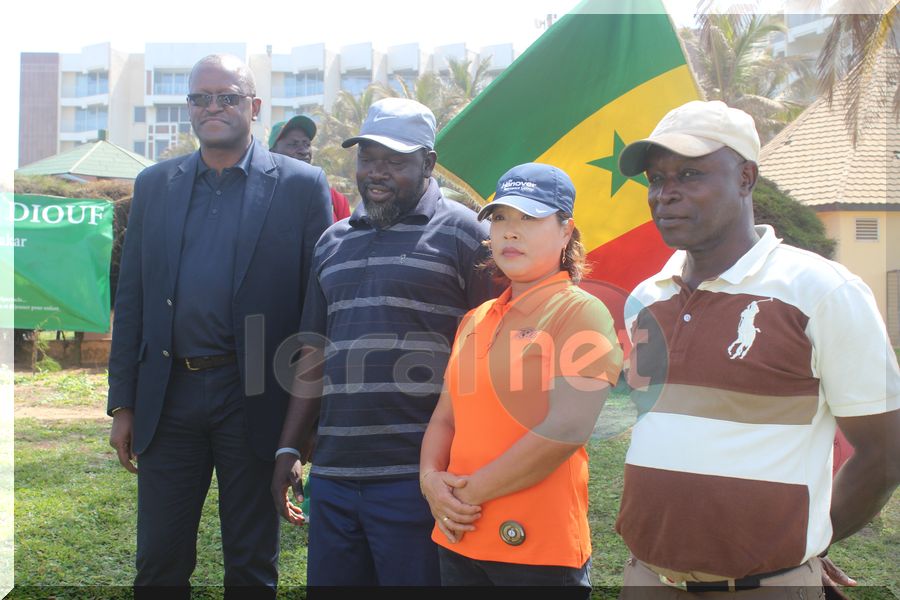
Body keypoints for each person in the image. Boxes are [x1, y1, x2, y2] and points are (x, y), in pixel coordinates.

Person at [615, 100, 900, 596]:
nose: (666, 195)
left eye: (689, 174)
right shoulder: (645, 298)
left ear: (746, 178)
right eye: (656, 180)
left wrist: (811, 545)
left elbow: (886, 453)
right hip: (647, 580)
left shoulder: (822, 291)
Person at [106, 54, 333, 597]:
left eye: (227, 97)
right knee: (158, 561)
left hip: (254, 393)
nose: (213, 107)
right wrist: (123, 403)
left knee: (252, 563)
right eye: (200, 97)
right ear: (188, 107)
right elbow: (133, 297)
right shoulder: (155, 185)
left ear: (253, 107)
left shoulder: (302, 185)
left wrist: (304, 422)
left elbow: (317, 308)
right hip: (169, 394)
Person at [270, 97, 495, 586]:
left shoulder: (467, 234)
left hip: (420, 478)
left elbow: (497, 352)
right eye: (368, 158)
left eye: (395, 161)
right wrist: (288, 448)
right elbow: (313, 351)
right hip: (332, 476)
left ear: (428, 163)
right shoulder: (333, 241)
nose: (377, 172)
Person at [419, 163, 623, 593]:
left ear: (566, 231)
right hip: (459, 539)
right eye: (500, 218)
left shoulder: (580, 312)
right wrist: (429, 480)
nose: (510, 232)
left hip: (536, 549)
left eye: (529, 218)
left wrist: (464, 496)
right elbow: (445, 418)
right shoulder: (474, 318)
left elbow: (565, 430)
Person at [269, 114, 351, 222]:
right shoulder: (262, 196)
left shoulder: (336, 200)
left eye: (307, 144)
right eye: (294, 144)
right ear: (273, 153)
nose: (304, 151)